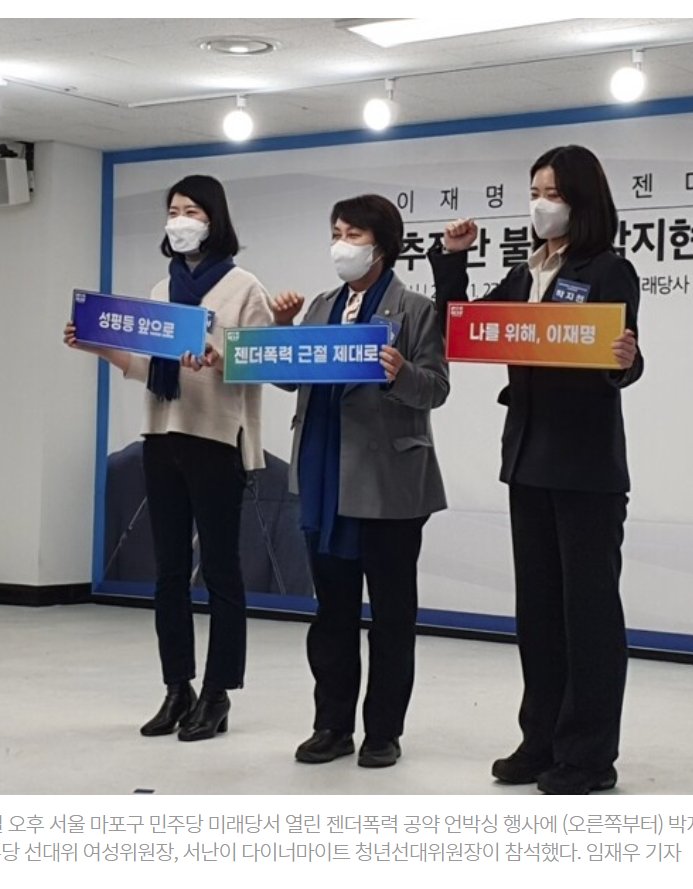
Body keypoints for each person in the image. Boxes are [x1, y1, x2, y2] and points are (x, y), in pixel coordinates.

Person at [428, 145, 643, 794]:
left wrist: (625, 360)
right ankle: (540, 740)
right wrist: (452, 260)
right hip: (526, 460)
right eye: (534, 192)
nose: (540, 204)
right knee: (539, 611)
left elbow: (623, 356)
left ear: (582, 201)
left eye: (552, 193)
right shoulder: (525, 273)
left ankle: (588, 756)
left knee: (588, 614)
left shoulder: (608, 270)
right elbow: (462, 327)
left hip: (584, 466)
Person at [64, 174, 289, 741]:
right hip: (162, 436)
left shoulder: (244, 287)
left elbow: (264, 363)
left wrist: (217, 358)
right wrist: (96, 344)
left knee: (220, 570)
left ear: (214, 220)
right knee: (167, 572)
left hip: (217, 438)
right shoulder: (161, 291)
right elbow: (146, 366)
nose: (180, 220)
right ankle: (176, 687)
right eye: (173, 210)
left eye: (191, 211)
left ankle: (217, 693)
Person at [271, 194, 449, 768]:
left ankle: (383, 732)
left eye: (352, 235)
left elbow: (436, 388)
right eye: (336, 233)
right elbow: (288, 378)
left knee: (392, 615)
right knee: (332, 613)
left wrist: (401, 373)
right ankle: (331, 725)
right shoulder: (321, 306)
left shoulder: (415, 309)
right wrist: (281, 330)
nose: (341, 245)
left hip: (390, 481)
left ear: (381, 245)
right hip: (323, 475)